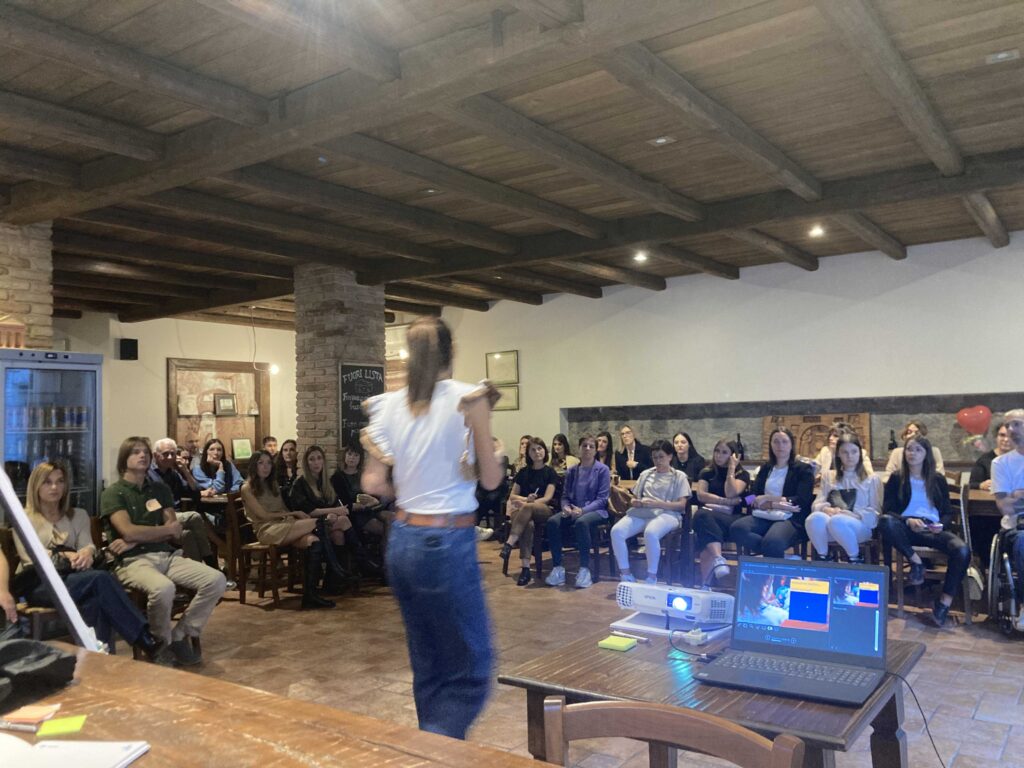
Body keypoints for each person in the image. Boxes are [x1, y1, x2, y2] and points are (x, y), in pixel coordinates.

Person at [361, 316, 503, 739]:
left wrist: (411, 486)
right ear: (450, 352)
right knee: (471, 669)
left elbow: (373, 483)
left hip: (403, 539)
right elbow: (490, 479)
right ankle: (437, 750)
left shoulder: (387, 405)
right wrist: (494, 456)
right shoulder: (470, 399)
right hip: (447, 539)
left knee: (428, 662)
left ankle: (431, 743)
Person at [11, 460, 159, 657]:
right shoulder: (22, 518)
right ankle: (143, 637)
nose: (55, 487)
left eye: (60, 481)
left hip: (75, 579)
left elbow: (87, 545)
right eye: (47, 482)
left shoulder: (78, 515)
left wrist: (87, 554)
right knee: (100, 579)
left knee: (95, 600)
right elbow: (30, 557)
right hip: (39, 583)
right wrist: (65, 555)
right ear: (36, 485)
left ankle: (98, 659)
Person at [101, 437, 226, 665]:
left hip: (167, 556)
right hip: (132, 561)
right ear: (124, 459)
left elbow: (175, 531)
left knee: (216, 580)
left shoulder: (159, 489)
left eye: (145, 452)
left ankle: (180, 635)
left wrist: (136, 538)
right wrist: (142, 536)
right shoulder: (114, 493)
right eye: (135, 452)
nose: (142, 456)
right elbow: (127, 530)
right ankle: (160, 645)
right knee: (164, 588)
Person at [879, 436, 969, 627]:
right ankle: (916, 561)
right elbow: (888, 510)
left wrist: (941, 525)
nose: (912, 453)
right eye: (909, 449)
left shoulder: (937, 479)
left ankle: (943, 604)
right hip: (906, 528)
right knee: (885, 522)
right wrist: (907, 520)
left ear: (926, 454)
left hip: (932, 528)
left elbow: (946, 511)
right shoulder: (897, 478)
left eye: (918, 449)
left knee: (962, 550)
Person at [240, 451, 331, 609]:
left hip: (284, 525)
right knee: (319, 522)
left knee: (313, 541)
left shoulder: (272, 484)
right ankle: (334, 569)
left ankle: (310, 595)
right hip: (267, 530)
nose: (266, 467)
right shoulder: (247, 488)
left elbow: (282, 508)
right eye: (261, 463)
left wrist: (293, 518)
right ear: (254, 465)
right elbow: (264, 516)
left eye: (269, 463)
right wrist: (294, 514)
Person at [289, 445, 377, 582]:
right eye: (312, 459)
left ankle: (334, 580)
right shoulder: (300, 484)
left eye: (319, 458)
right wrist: (335, 511)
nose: (316, 462)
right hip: (308, 526)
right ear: (306, 463)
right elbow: (310, 511)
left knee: (338, 533)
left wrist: (335, 512)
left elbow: (334, 503)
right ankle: (361, 564)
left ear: (323, 461)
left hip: (326, 523)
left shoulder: (324, 482)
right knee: (343, 521)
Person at [611, 439, 689, 584]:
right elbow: (634, 497)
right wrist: (635, 502)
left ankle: (652, 576)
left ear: (670, 456)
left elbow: (681, 505)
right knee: (617, 531)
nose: (658, 461)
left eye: (661, 457)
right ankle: (625, 573)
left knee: (651, 532)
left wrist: (658, 503)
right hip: (644, 512)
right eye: (655, 457)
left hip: (668, 513)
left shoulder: (679, 476)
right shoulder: (646, 474)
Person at [730, 427, 814, 559]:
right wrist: (757, 502)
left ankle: (772, 554)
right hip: (763, 514)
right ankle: (781, 557)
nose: (780, 445)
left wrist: (768, 500)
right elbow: (751, 496)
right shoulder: (766, 468)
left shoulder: (803, 469)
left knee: (772, 542)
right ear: (771, 445)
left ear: (791, 444)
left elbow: (801, 500)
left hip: (789, 518)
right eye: (776, 442)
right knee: (737, 529)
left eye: (784, 441)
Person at [544, 434, 611, 589]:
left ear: (595, 450)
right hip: (573, 509)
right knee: (552, 522)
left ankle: (584, 569)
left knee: (581, 522)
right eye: (584, 446)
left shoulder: (602, 470)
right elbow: (565, 496)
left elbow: (602, 499)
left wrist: (583, 510)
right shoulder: (572, 471)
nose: (587, 449)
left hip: (596, 511)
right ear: (579, 449)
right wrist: (566, 507)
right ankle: (558, 568)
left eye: (591, 446)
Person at [806, 434, 882, 563]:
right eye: (845, 452)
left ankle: (855, 558)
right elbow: (817, 503)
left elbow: (876, 512)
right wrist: (826, 509)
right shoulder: (829, 476)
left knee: (838, 521)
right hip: (832, 520)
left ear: (860, 453)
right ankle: (824, 557)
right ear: (838, 454)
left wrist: (854, 515)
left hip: (859, 525)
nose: (849, 456)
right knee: (814, 518)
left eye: (854, 452)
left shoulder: (871, 479)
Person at [148, 438, 218, 569]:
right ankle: (211, 563)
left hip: (178, 515)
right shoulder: (148, 475)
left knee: (188, 535)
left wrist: (185, 470)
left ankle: (199, 571)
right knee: (195, 516)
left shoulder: (173, 474)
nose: (170, 457)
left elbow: (195, 492)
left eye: (173, 454)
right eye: (166, 454)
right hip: (160, 517)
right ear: (155, 455)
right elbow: (149, 503)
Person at [499, 437, 558, 586]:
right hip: (521, 511)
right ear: (528, 453)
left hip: (542, 509)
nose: (537, 452)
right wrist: (526, 499)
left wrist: (527, 503)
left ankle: (509, 543)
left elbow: (547, 498)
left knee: (527, 508)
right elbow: (512, 496)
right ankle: (525, 569)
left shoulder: (550, 472)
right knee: (528, 525)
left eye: (540, 448)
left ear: (545, 451)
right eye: (533, 450)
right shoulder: (523, 472)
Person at [692, 439, 750, 584]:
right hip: (711, 517)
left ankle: (706, 583)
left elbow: (733, 493)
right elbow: (701, 495)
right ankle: (718, 560)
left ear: (733, 455)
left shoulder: (742, 474)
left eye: (724, 452)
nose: (719, 455)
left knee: (703, 523)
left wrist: (731, 470)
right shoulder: (707, 472)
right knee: (703, 519)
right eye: (717, 451)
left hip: (732, 518)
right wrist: (726, 502)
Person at [991, 409, 1024, 631]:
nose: (1010, 430)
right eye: (1008, 425)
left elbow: (1014, 500)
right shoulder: (1001, 463)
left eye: (1016, 424)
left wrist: (1019, 494)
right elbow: (1005, 506)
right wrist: (1013, 499)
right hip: (1015, 528)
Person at [971, 421, 1013, 490]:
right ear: (996, 437)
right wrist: (981, 485)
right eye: (1002, 435)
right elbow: (971, 484)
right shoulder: (984, 460)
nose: (1006, 439)